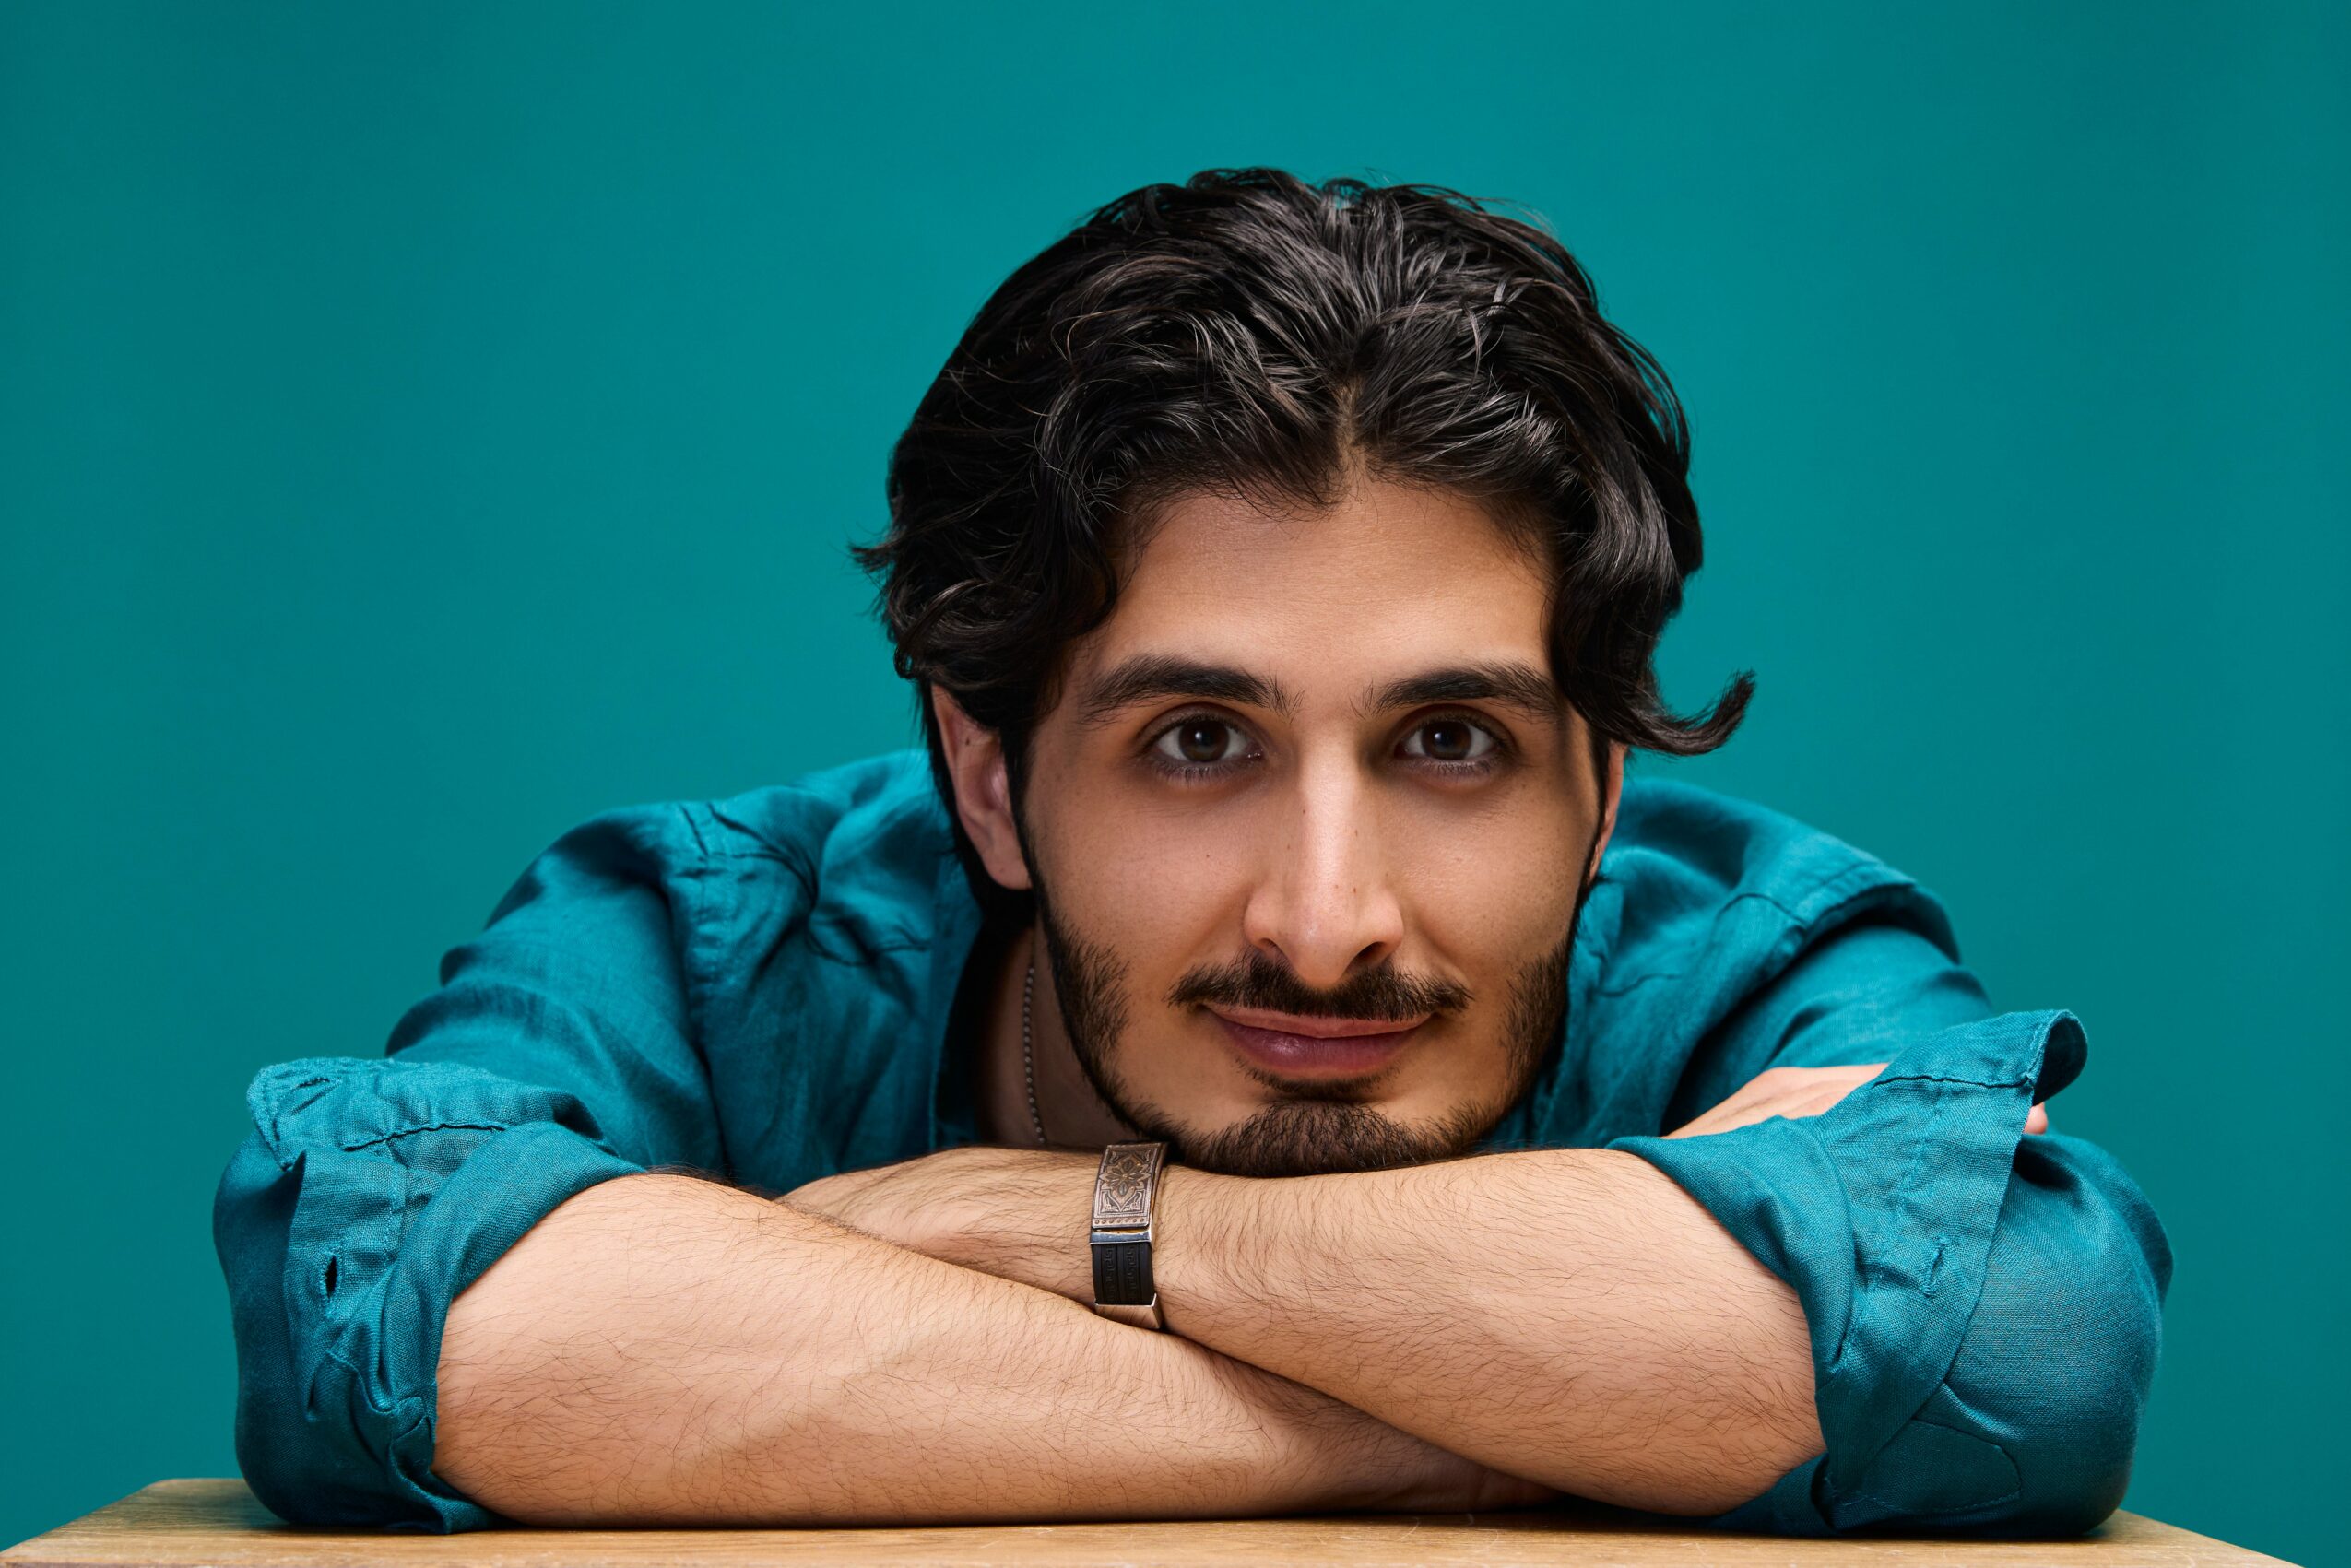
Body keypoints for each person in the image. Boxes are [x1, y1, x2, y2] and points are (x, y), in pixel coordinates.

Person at [211, 167, 2170, 1538]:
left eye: (1451, 740)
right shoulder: (718, 952)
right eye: (1198, 741)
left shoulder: (1742, 960)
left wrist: (1065, 1224)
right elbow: (371, 1327)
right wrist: (1536, 1409)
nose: (1328, 924)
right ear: (986, 777)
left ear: (1599, 789)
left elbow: (2029, 1337)